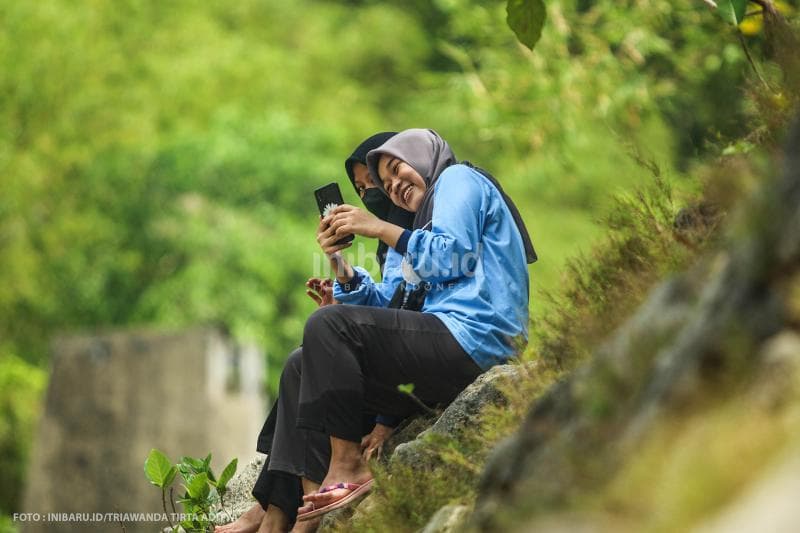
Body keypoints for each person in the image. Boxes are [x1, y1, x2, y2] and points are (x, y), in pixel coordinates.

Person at [295, 128, 536, 522]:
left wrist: (379, 228)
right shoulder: (417, 229)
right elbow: (392, 304)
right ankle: (291, 514)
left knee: (329, 325)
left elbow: (450, 254)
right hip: (446, 344)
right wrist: (338, 263)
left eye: (396, 169)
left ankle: (347, 468)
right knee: (300, 365)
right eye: (384, 185)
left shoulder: (458, 180)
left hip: (477, 335)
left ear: (423, 156)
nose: (392, 187)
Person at [215, 132, 415, 533]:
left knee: (306, 362)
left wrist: (385, 420)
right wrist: (337, 265)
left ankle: (280, 513)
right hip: (392, 352)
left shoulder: (417, 230)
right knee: (303, 359)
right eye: (361, 188)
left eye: (374, 183)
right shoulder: (388, 242)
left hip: (417, 364)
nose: (373, 193)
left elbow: (414, 313)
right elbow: (383, 305)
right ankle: (275, 510)